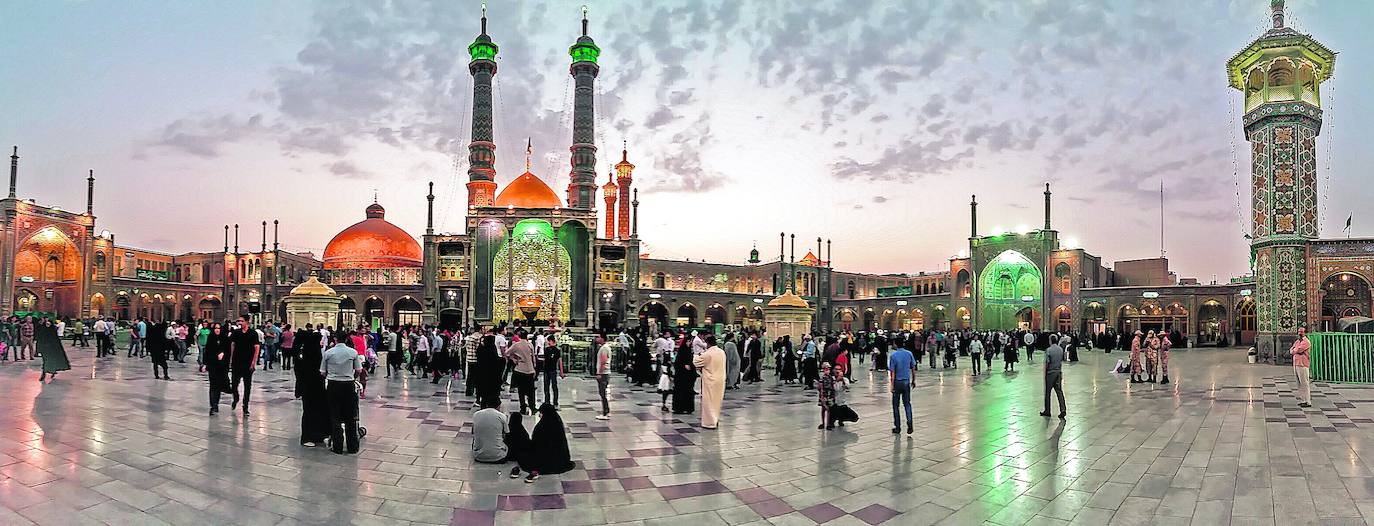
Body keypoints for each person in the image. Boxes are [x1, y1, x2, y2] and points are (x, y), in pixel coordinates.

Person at [321, 334, 362, 454]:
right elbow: (359, 370)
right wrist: (351, 377)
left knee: (335, 416)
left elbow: (322, 372)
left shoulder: (328, 353)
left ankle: (337, 446)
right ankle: (352, 446)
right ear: (346, 339)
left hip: (333, 385)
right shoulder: (353, 352)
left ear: (335, 339)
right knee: (350, 416)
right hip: (348, 385)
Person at [295, 324, 329, 447]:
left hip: (312, 388)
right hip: (311, 388)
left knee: (315, 411)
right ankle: (307, 437)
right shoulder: (312, 355)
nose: (321, 343)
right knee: (310, 411)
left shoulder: (304, 355)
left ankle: (317, 435)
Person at [525, 402, 576, 482]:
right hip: (559, 460)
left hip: (543, 461)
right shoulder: (557, 424)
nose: (539, 415)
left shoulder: (540, 428)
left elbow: (535, 444)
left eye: (541, 413)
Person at [229, 315, 262, 418]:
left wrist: (254, 362)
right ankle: (236, 397)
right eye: (238, 321)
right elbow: (232, 345)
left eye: (241, 321)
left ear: (247, 322)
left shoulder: (253, 333)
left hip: (247, 363)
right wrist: (231, 359)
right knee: (234, 383)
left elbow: (256, 348)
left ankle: (245, 406)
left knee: (247, 386)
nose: (239, 323)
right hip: (236, 362)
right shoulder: (236, 333)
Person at [694, 335, 726, 430]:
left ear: (707, 343)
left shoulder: (708, 354)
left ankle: (709, 422)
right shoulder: (721, 352)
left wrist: (696, 355)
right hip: (720, 379)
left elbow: (696, 362)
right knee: (717, 401)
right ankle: (715, 419)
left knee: (709, 401)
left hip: (710, 380)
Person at [205, 323, 232, 415]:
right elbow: (207, 351)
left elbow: (228, 352)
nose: (217, 330)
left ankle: (216, 403)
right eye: (215, 328)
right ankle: (213, 405)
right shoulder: (210, 338)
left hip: (222, 366)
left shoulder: (224, 339)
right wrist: (205, 364)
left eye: (219, 328)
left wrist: (223, 353)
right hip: (212, 365)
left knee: (218, 385)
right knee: (213, 385)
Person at [888, 341, 915, 434]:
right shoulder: (909, 354)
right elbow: (913, 368)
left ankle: (898, 426)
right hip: (906, 381)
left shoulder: (893, 356)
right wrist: (913, 380)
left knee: (896, 406)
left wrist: (892, 385)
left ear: (895, 344)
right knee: (907, 404)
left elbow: (892, 372)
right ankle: (910, 422)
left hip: (897, 382)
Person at [508, 331, 537, 414]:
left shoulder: (516, 345)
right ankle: (532, 407)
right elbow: (533, 358)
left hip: (520, 369)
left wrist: (514, 359)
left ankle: (523, 408)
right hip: (529, 369)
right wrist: (534, 368)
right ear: (527, 337)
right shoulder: (530, 345)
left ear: (519, 336)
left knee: (521, 391)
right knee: (531, 390)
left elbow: (507, 352)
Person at [1040, 336, 1068, 419]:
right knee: (1059, 391)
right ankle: (1063, 410)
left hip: (1050, 373)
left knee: (1048, 392)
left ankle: (1047, 410)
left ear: (1050, 341)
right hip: (1058, 372)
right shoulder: (1060, 349)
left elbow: (1047, 363)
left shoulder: (1048, 350)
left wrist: (1045, 373)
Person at [36, 318, 69, 383]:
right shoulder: (43, 331)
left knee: (51, 361)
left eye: (49, 323)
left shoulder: (53, 332)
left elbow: (56, 343)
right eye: (46, 323)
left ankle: (51, 372)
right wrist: (39, 350)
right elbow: (40, 340)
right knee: (45, 362)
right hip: (45, 350)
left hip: (52, 350)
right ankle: (44, 374)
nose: (47, 325)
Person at [672, 338, 697, 414]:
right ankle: (679, 408)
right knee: (680, 391)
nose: (689, 343)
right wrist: (684, 366)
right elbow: (677, 363)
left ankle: (688, 407)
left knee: (688, 391)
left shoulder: (689, 352)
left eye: (690, 341)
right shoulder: (681, 352)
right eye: (688, 341)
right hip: (681, 376)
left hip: (688, 377)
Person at [541, 334, 564, 407]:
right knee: (546, 386)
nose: (548, 343)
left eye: (548, 341)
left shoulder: (557, 350)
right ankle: (547, 401)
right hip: (546, 370)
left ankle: (555, 402)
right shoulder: (547, 349)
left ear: (551, 341)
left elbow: (559, 361)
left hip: (553, 370)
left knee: (554, 386)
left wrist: (561, 371)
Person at [1291, 328, 1312, 408]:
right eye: (1299, 332)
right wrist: (1295, 350)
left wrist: (1295, 350)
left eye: (1302, 332)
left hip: (1303, 364)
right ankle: (1303, 400)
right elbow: (1291, 350)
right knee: (1298, 383)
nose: (1300, 333)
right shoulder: (1297, 341)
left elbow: (1299, 350)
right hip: (1296, 363)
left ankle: (1307, 401)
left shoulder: (1306, 342)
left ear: (1305, 333)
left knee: (1304, 383)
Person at [594, 335, 612, 420]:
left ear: (602, 338)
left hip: (603, 373)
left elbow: (603, 361)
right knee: (603, 393)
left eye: (598, 337)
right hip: (606, 373)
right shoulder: (606, 347)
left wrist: (600, 373)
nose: (597, 339)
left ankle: (605, 413)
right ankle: (607, 411)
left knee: (602, 393)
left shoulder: (604, 348)